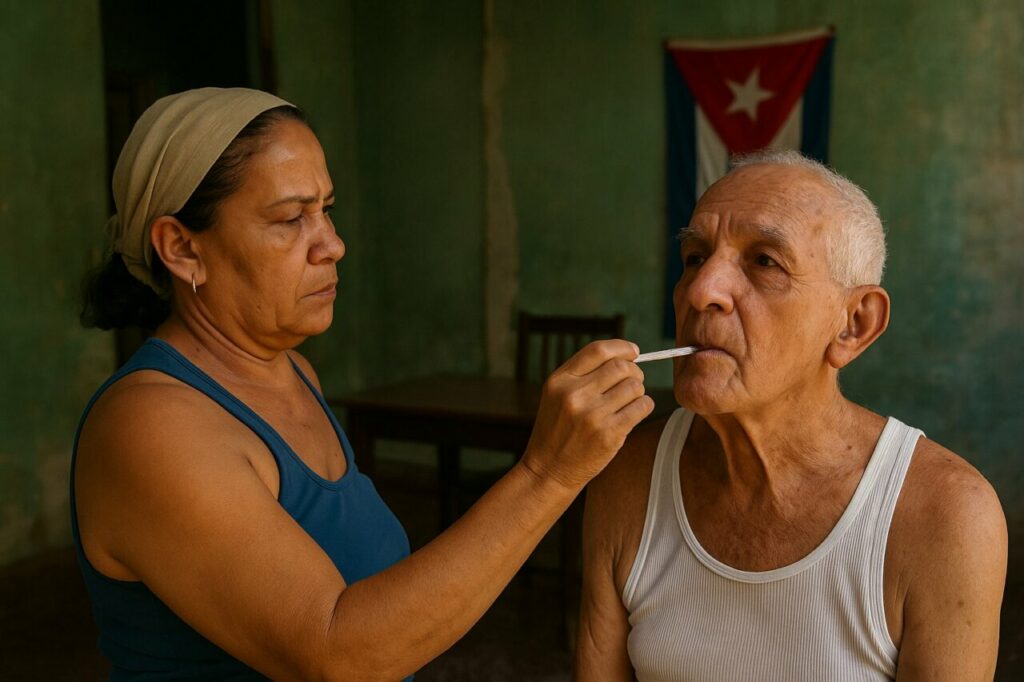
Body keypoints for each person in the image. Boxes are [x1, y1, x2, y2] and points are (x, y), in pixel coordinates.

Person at [73, 87, 654, 681]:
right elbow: (335, 655)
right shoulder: (151, 427)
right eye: (290, 218)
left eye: (327, 209)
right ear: (182, 248)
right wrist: (547, 474)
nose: (332, 244)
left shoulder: (292, 371)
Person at [574, 150, 1007, 681]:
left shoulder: (946, 516)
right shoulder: (628, 476)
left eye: (763, 262)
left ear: (853, 325)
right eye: (694, 257)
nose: (701, 290)